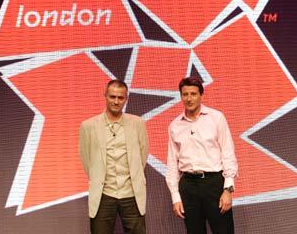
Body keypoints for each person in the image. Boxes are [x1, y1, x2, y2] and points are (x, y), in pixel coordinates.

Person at [166, 77, 238, 234]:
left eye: (193, 94)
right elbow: (172, 163)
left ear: (201, 95)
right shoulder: (175, 125)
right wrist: (176, 197)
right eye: (185, 94)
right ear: (181, 96)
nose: (189, 98)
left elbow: (228, 153)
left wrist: (228, 190)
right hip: (188, 186)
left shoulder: (216, 118)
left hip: (214, 184)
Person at [79, 79, 149, 234]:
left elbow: (142, 155)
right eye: (112, 97)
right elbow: (86, 160)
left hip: (131, 193)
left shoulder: (138, 124)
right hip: (104, 194)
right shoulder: (88, 126)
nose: (116, 101)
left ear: (126, 99)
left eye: (120, 98)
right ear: (105, 96)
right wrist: (98, 177)